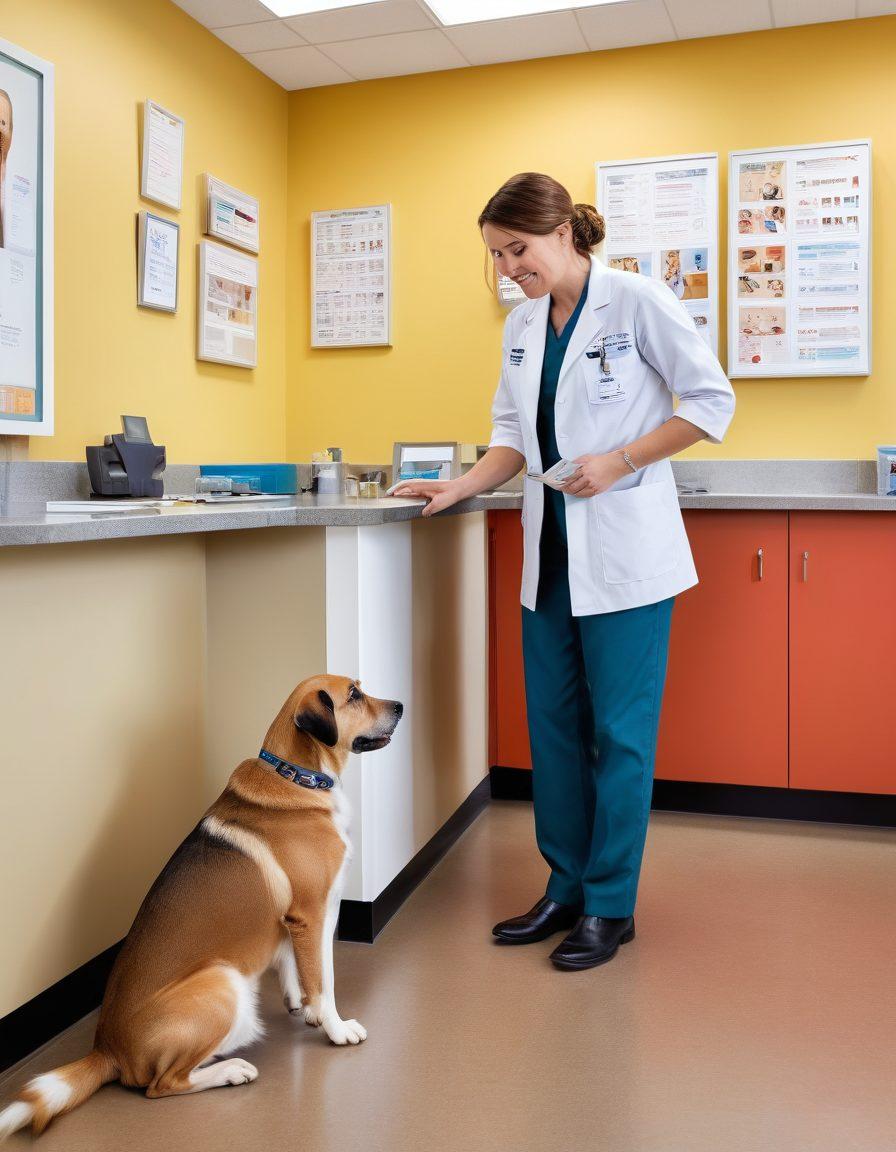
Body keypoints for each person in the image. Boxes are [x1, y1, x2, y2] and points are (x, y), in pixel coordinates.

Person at [392, 172, 735, 971]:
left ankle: (611, 905)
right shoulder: (519, 326)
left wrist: (620, 460)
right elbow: (511, 433)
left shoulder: (637, 302)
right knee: (552, 732)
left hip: (624, 557)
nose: (509, 268)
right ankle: (564, 886)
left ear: (564, 235)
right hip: (549, 555)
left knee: (619, 738)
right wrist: (461, 484)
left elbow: (710, 402)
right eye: (497, 256)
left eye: (518, 250)